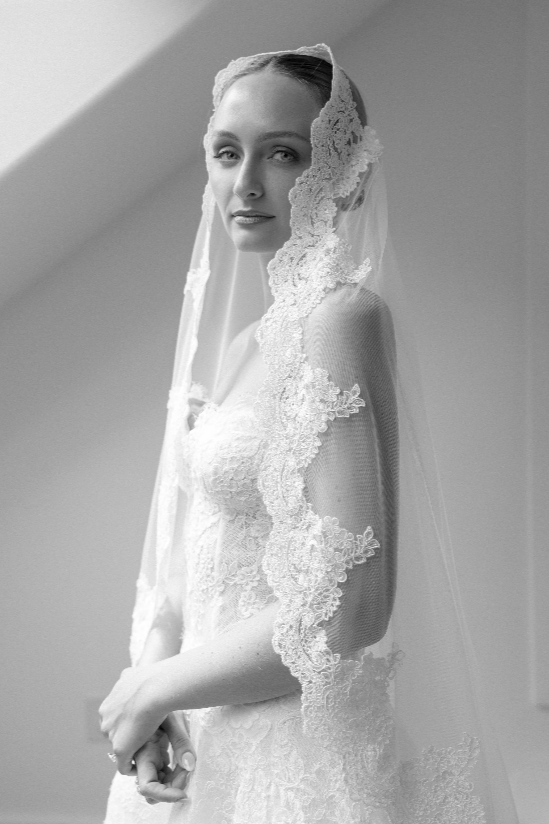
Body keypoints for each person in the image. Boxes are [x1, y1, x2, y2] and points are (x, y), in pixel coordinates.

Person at [100, 45, 518, 824]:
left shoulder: (338, 321)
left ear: (347, 174)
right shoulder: (242, 346)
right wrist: (153, 697)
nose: (245, 183)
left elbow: (346, 609)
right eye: (227, 153)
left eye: (283, 154)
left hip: (289, 765)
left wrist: (155, 689)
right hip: (201, 752)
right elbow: (197, 560)